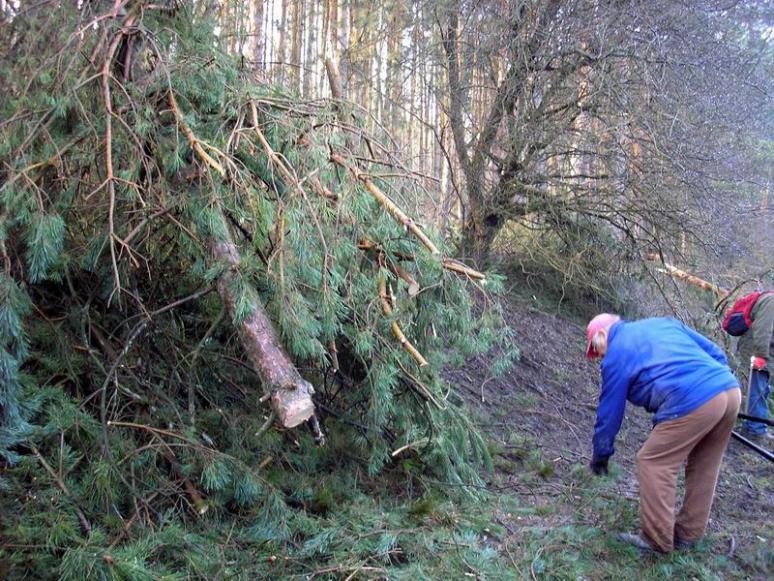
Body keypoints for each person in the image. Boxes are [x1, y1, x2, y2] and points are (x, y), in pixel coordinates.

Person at [585, 313, 740, 553]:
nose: (600, 357)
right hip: (729, 390)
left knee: (654, 462)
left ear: (602, 334)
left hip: (695, 396)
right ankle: (689, 535)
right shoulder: (662, 323)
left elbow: (609, 413)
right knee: (705, 465)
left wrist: (601, 455)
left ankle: (656, 541)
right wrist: (718, 385)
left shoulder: (616, 355)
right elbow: (715, 352)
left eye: (596, 349)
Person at [737, 292, 774, 437]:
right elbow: (762, 329)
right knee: (758, 389)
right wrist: (761, 355)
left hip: (764, 352)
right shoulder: (771, 302)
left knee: (761, 389)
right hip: (758, 351)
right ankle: (755, 429)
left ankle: (753, 426)